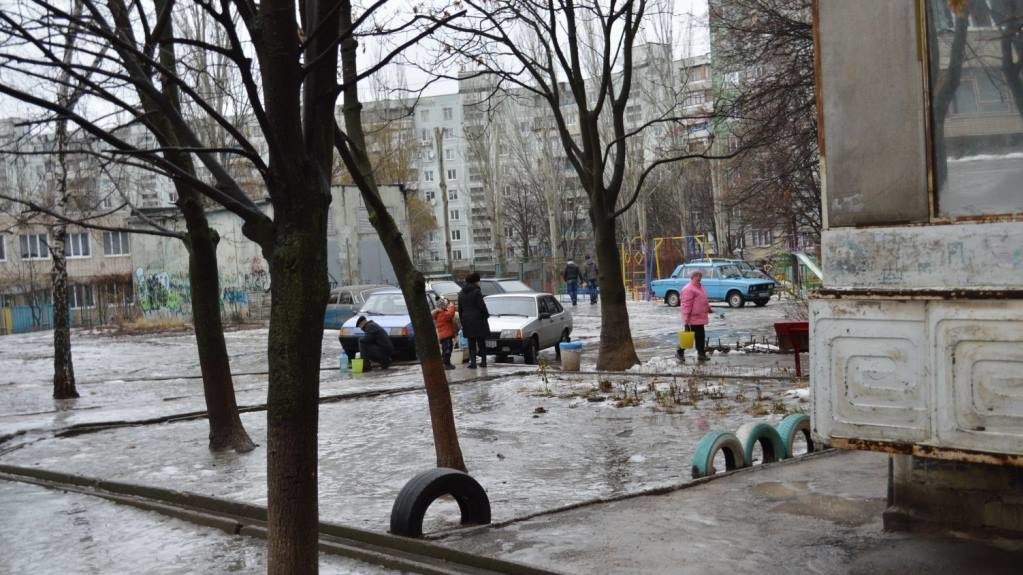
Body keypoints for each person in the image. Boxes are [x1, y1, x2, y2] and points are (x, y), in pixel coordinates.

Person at [457, 272, 490, 369]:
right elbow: (481, 306)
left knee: (471, 342)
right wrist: (486, 315)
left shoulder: (461, 293)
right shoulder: (477, 292)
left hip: (467, 321)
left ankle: (473, 363)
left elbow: (460, 309)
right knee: (481, 342)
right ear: (475, 281)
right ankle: (483, 362)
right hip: (478, 320)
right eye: (478, 281)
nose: (479, 283)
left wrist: (463, 321)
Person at [679, 270, 713, 362]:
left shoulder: (700, 287)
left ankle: (701, 354)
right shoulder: (688, 289)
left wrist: (708, 308)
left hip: (700, 318)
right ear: (692, 277)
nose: (699, 277)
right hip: (691, 319)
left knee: (700, 337)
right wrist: (685, 319)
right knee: (687, 338)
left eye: (700, 275)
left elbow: (703, 301)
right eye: (696, 276)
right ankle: (679, 352)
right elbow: (686, 305)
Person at [432, 296, 458, 370]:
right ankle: (446, 364)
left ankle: (447, 363)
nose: (446, 305)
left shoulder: (441, 312)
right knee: (447, 350)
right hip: (446, 335)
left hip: (445, 335)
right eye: (444, 304)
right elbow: (450, 315)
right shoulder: (442, 313)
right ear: (441, 306)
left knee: (447, 349)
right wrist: (452, 306)